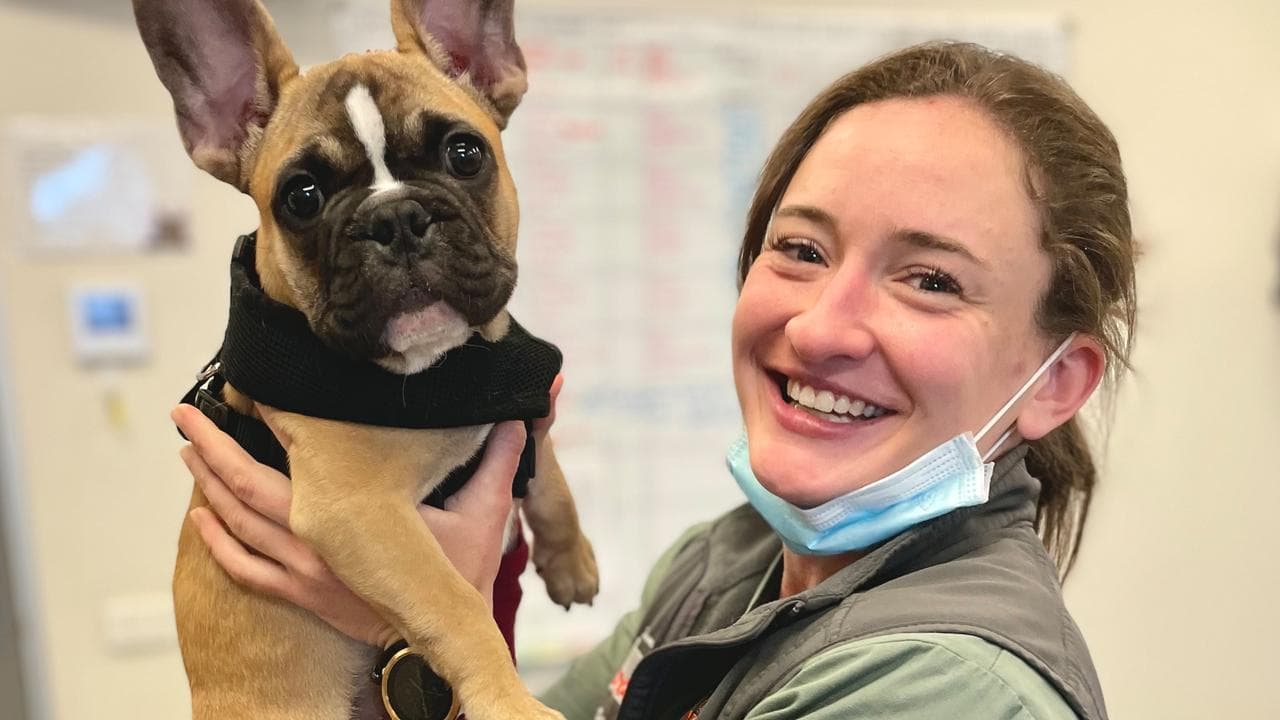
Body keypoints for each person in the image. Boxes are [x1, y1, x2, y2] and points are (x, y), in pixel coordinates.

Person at [172, 41, 1133, 719]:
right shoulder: (724, 566)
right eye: (801, 249)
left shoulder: (948, 690)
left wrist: (400, 637)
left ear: (1057, 382)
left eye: (931, 281)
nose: (823, 325)